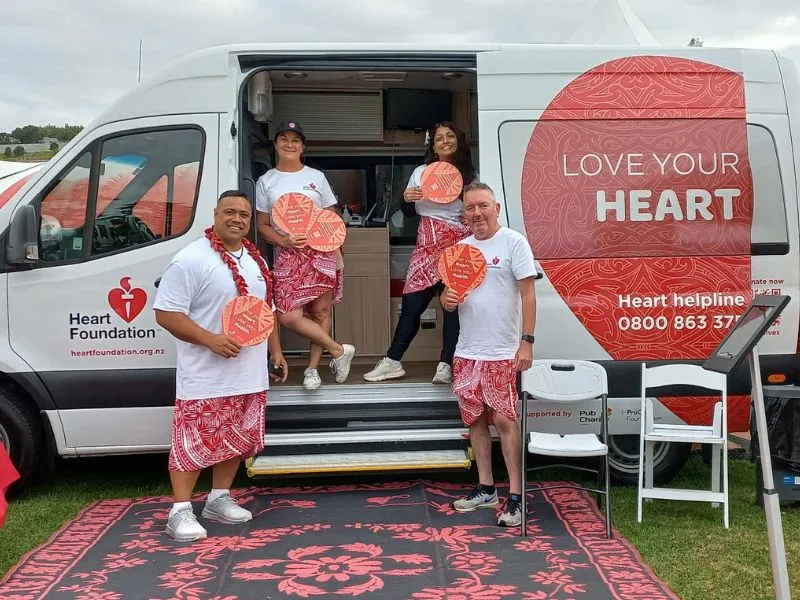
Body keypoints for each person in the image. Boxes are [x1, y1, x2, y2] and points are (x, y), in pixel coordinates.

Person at [153, 189, 289, 542]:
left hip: (249, 374)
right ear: (214, 215)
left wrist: (276, 350)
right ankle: (180, 509)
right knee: (193, 443)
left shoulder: (256, 262)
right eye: (230, 211)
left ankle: (218, 499)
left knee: (234, 440)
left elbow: (266, 312)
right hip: (205, 376)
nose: (238, 219)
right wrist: (208, 338)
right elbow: (166, 313)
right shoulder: (190, 259)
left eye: (244, 214)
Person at [441, 181, 537, 528]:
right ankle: (485, 488)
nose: (477, 213)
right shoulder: (459, 250)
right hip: (467, 351)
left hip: (502, 352)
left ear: (496, 208)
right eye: (470, 208)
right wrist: (446, 300)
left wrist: (526, 341)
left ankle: (516, 496)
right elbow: (448, 296)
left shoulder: (514, 242)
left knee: (505, 421)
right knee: (474, 420)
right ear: (464, 214)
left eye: (483, 205)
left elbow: (528, 295)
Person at [363, 121, 476, 385]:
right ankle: (393, 361)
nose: (445, 141)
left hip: (459, 246)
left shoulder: (472, 175)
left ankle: (446, 364)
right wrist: (406, 198)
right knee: (411, 305)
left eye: (450, 136)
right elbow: (411, 212)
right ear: (433, 146)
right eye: (439, 138)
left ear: (458, 141)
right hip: (426, 246)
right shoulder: (421, 172)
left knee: (453, 307)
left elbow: (474, 212)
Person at [255, 120, 355, 391]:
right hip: (288, 253)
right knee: (288, 315)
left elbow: (331, 217)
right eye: (284, 139)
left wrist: (335, 245)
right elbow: (262, 226)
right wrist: (284, 240)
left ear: (303, 146)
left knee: (320, 311)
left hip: (321, 250)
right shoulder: (266, 181)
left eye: (295, 140)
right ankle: (338, 350)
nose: (290, 144)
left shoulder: (316, 177)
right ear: (276, 144)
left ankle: (312, 370)